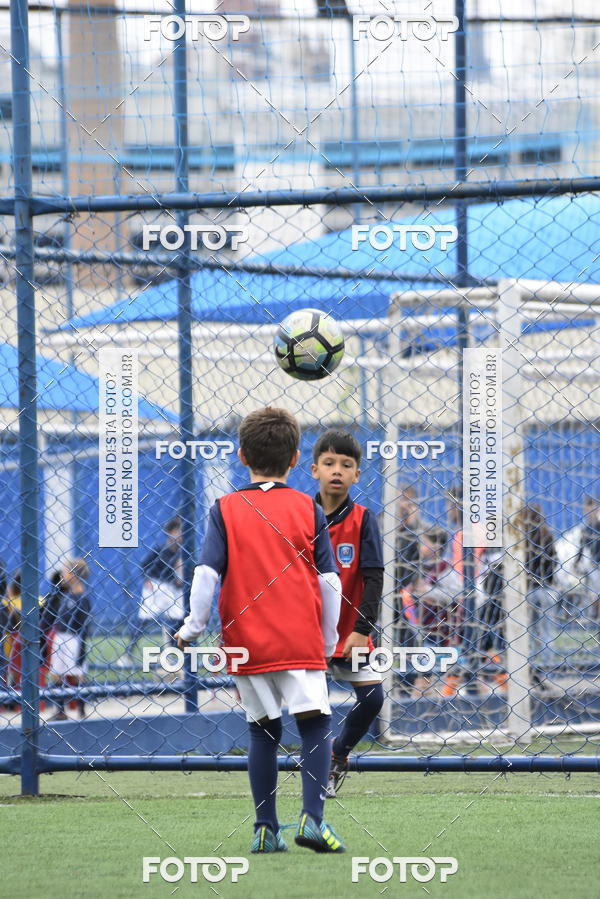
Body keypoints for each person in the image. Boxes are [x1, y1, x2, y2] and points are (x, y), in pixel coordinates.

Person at [175, 407, 345, 854]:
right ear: (296, 460)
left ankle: (265, 828)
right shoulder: (308, 508)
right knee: (315, 722)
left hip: (246, 642)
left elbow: (206, 573)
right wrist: (328, 641)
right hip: (299, 639)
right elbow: (330, 581)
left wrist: (192, 628)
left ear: (242, 456)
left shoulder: (225, 508)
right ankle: (312, 820)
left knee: (262, 730)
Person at [311, 429, 384, 798]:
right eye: (329, 463)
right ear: (314, 470)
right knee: (313, 708)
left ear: (357, 474)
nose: (336, 470)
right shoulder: (300, 516)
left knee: (373, 700)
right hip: (307, 633)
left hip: (349, 632)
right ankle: (316, 769)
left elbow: (374, 578)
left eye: (346, 464)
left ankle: (337, 755)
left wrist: (361, 629)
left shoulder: (363, 519)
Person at [517, 505, 560, 676]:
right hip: (548, 589)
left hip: (530, 590)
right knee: (547, 632)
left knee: (531, 631)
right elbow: (555, 562)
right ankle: (548, 668)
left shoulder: (523, 540)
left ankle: (532, 667)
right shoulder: (547, 536)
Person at [48, 559, 91, 721]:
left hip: (74, 638)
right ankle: (60, 710)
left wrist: (81, 652)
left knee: (77, 674)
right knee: (56, 673)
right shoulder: (65, 594)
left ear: (74, 575)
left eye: (66, 572)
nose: (62, 575)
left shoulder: (82, 598)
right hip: (60, 636)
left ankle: (81, 710)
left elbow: (84, 627)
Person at [555, 495, 600, 622]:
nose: (591, 511)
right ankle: (592, 615)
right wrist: (576, 563)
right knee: (592, 592)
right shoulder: (585, 528)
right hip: (593, 566)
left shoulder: (597, 526)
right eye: (588, 508)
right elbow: (581, 547)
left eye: (594, 507)